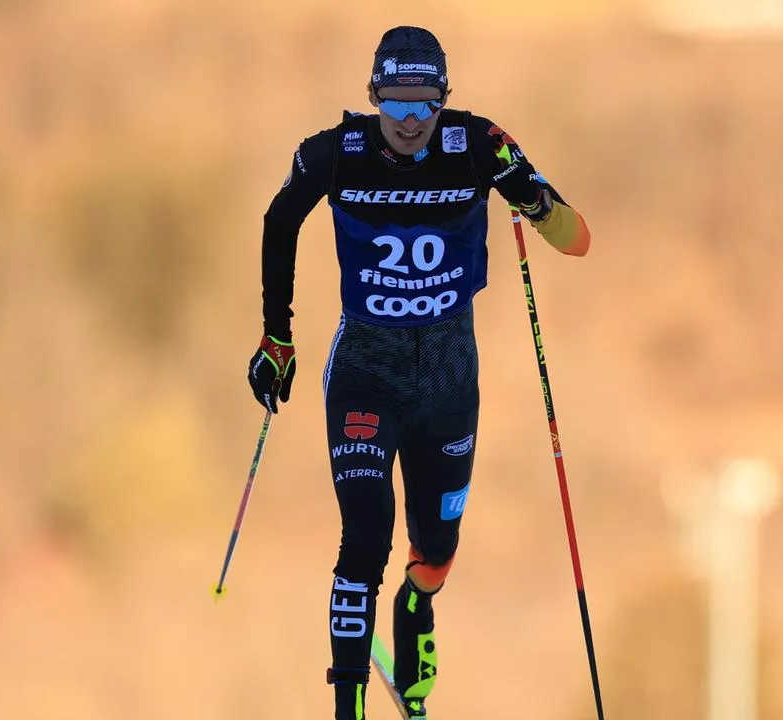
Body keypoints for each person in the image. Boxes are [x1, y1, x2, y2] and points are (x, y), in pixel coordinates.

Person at [246, 25, 590, 720]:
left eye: (424, 104)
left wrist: (538, 203)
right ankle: (348, 702)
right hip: (365, 374)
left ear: (444, 100)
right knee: (365, 534)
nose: (409, 122)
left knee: (433, 554)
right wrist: (276, 336)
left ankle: (415, 604)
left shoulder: (480, 145)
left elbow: (578, 240)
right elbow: (280, 220)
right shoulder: (335, 153)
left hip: (447, 384)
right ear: (372, 97)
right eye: (395, 103)